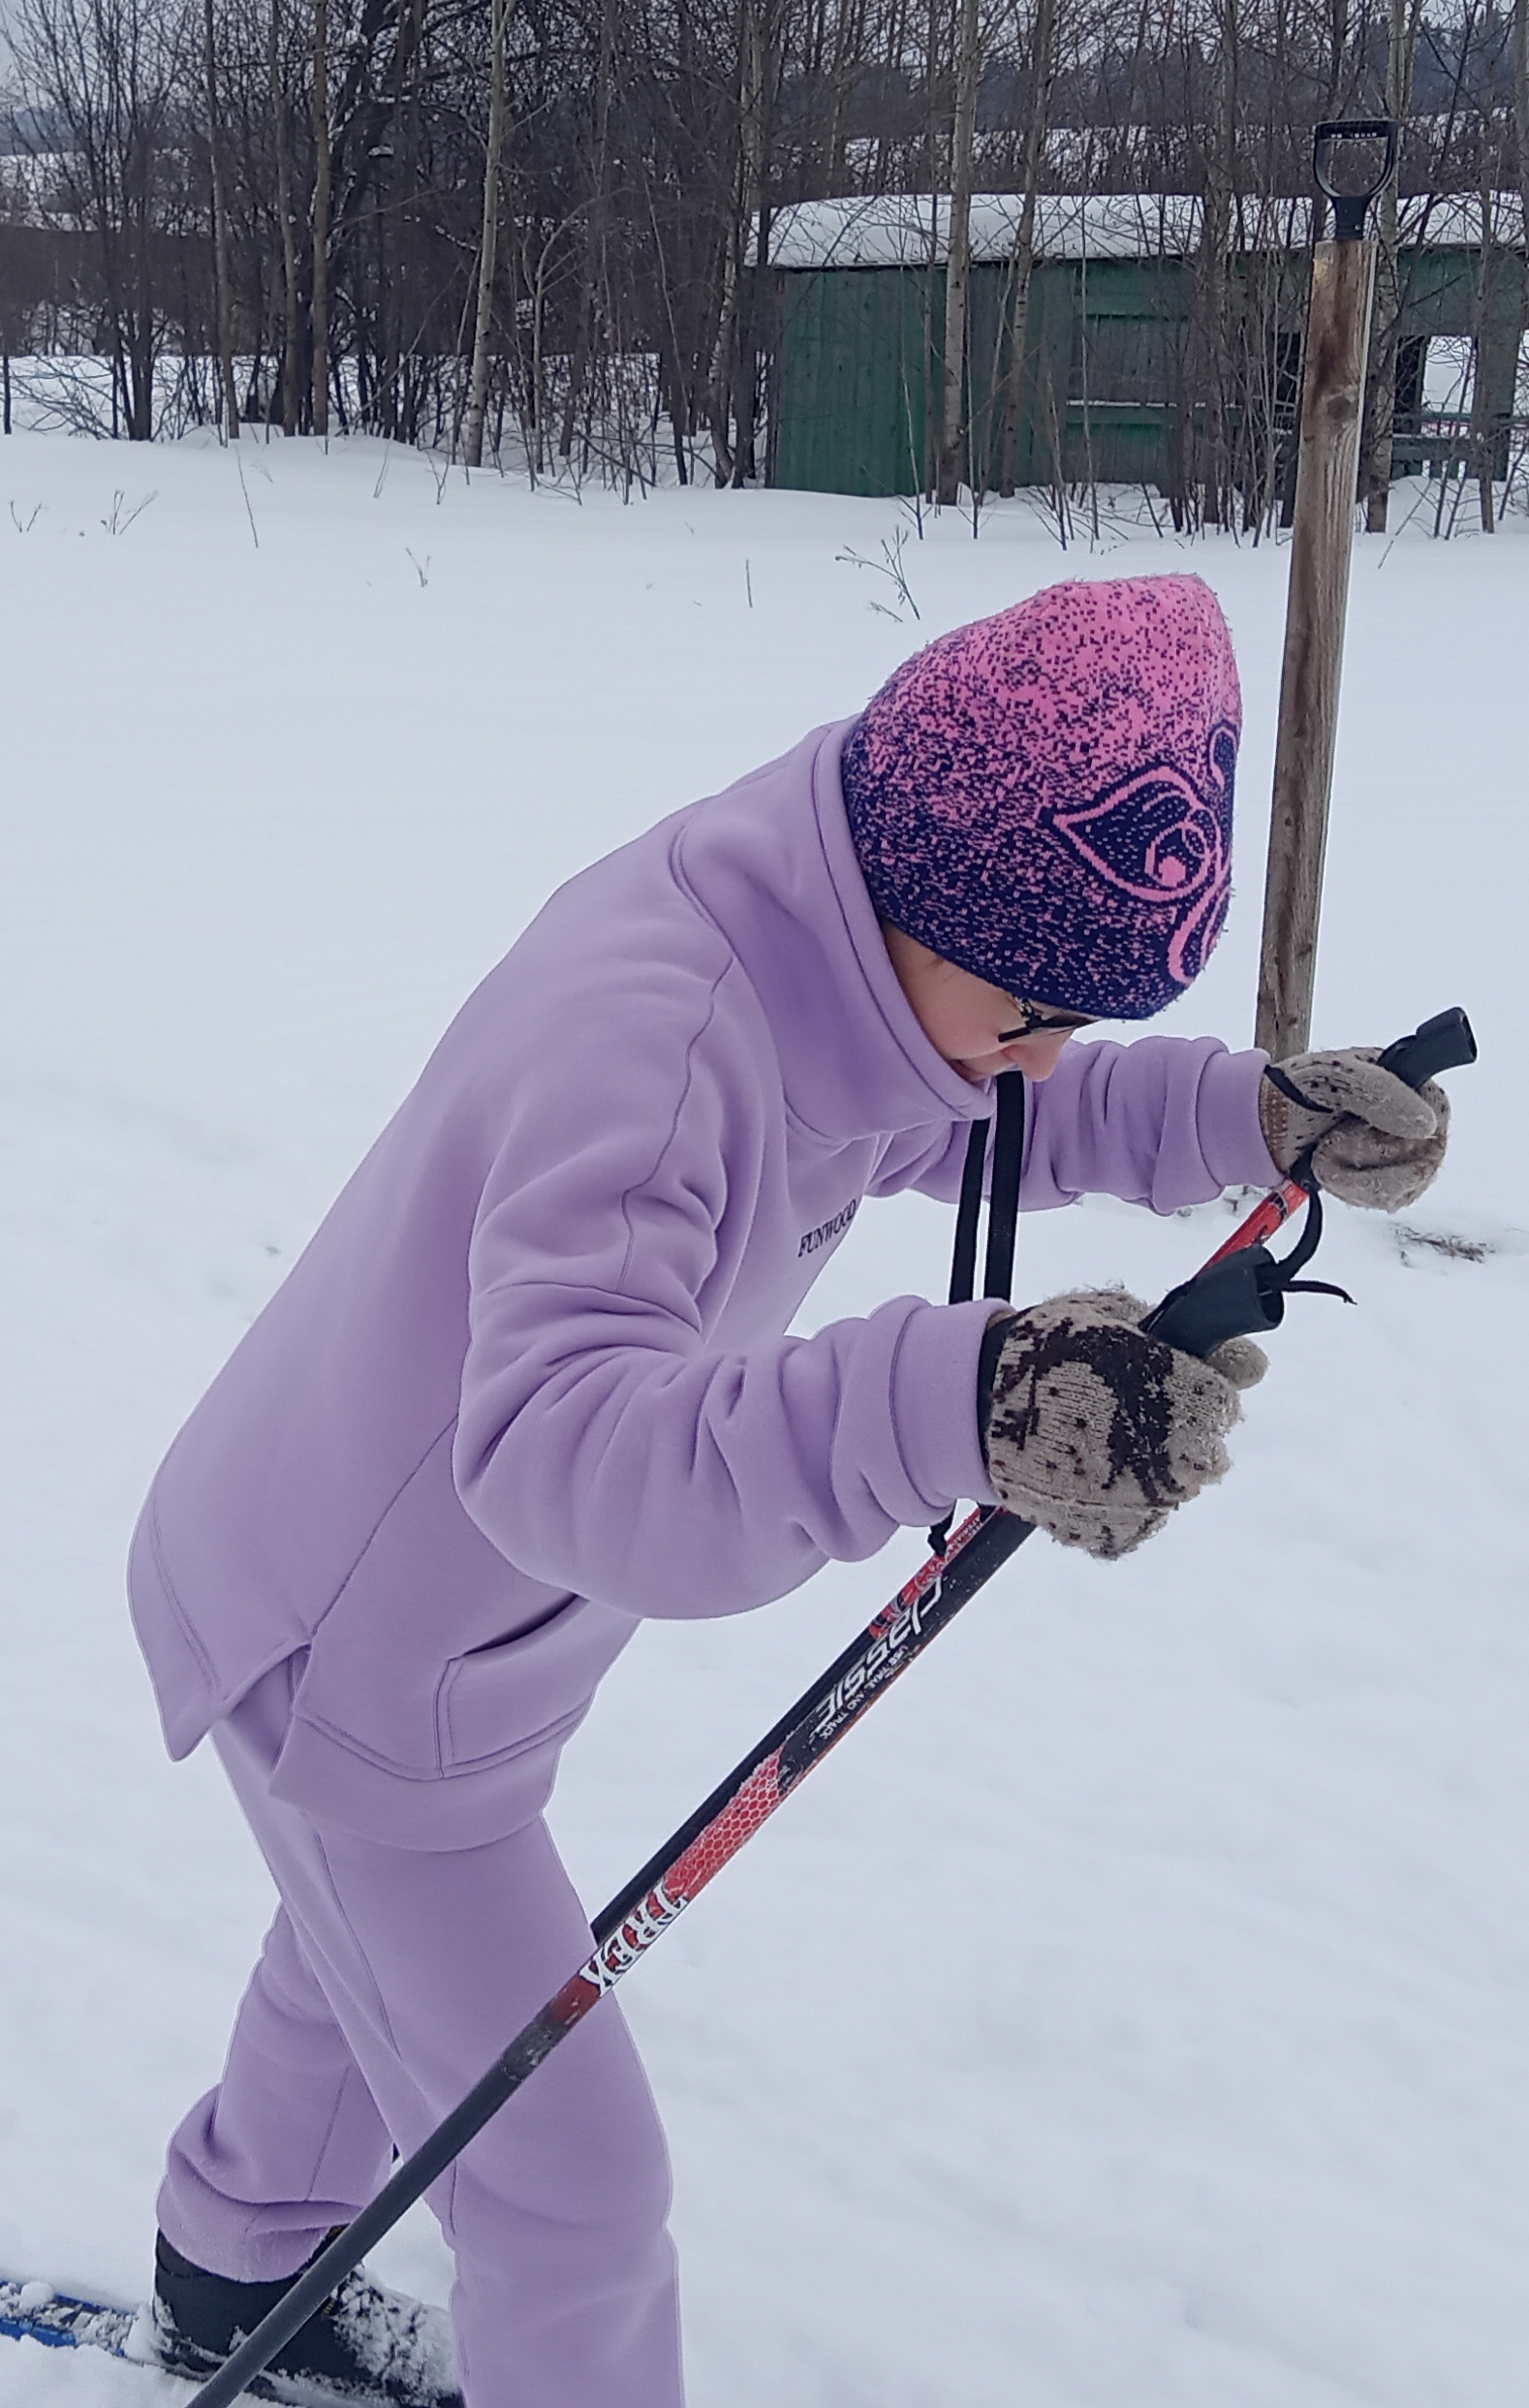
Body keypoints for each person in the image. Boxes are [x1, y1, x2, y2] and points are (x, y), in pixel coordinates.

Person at [126, 575, 1452, 2405]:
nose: (1047, 1052)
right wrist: (963, 1400)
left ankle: (233, 2266)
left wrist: (1249, 1117)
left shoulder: (843, 936)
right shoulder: (660, 1037)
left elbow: (997, 1105)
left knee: (362, 1961)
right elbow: (563, 1452)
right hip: (355, 1644)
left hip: (409, 1612)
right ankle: (258, 2254)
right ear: (938, 897)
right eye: (1037, 1004)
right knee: (573, 2192)